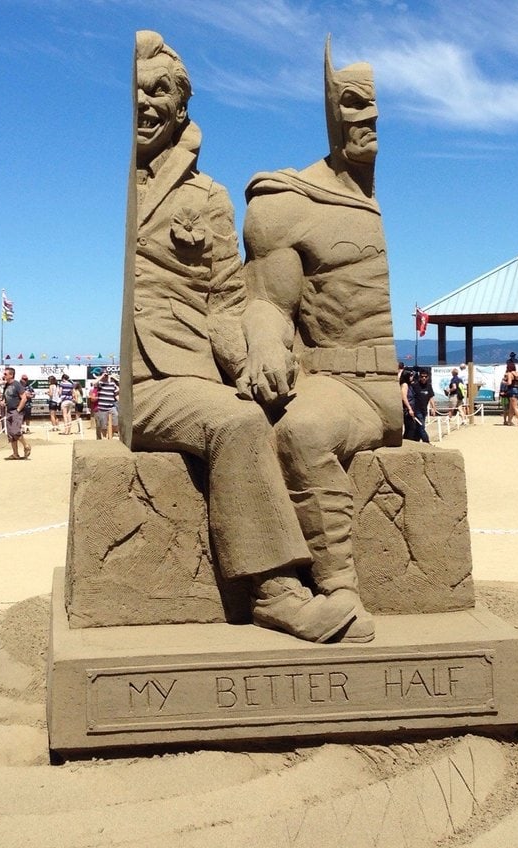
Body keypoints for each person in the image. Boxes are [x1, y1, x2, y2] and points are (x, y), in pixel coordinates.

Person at [119, 30, 361, 645]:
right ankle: (275, 593)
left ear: (181, 108)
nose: (146, 103)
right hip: (145, 381)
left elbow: (227, 303)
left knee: (264, 411)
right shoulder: (124, 180)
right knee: (238, 425)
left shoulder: (210, 197)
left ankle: (328, 582)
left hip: (196, 371)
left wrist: (252, 359)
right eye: (138, 91)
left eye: (160, 92)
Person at [241, 36, 403, 642]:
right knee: (303, 432)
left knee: (305, 429)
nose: (371, 119)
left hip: (380, 388)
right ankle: (341, 593)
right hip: (333, 382)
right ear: (332, 113)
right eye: (355, 103)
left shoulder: (367, 199)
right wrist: (261, 343)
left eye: (375, 105)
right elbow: (266, 303)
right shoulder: (289, 201)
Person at [2, 366, 31, 460]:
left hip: (16, 411)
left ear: (11, 375)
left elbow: (24, 398)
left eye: (5, 374)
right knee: (10, 434)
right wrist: (3, 402)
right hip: (9, 411)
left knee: (15, 431)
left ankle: (26, 445)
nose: (4, 375)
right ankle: (15, 454)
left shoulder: (17, 384)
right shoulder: (6, 386)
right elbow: (6, 397)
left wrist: (18, 409)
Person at [410, 369, 436, 443]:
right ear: (419, 377)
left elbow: (431, 397)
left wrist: (433, 408)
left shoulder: (429, 386)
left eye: (425, 376)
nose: (424, 378)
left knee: (418, 427)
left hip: (424, 410)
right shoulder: (415, 385)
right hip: (416, 410)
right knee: (421, 426)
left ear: (427, 377)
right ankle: (427, 442)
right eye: (422, 376)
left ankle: (416, 441)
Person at [96, 372, 119, 440]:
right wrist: (101, 376)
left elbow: (117, 390)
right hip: (102, 408)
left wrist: (110, 378)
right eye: (104, 376)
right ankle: (105, 437)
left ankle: (110, 436)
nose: (105, 377)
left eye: (106, 375)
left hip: (111, 407)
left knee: (115, 421)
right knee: (103, 426)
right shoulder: (100, 384)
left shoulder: (112, 384)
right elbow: (93, 383)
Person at [504, 359, 518, 426]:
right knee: (511, 407)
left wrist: (504, 382)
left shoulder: (510, 374)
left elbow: (509, 383)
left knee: (515, 407)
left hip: (512, 390)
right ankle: (509, 421)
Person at [400, 368, 417, 440]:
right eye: (410, 375)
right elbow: (404, 397)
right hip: (407, 410)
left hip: (410, 408)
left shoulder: (409, 385)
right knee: (411, 428)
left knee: (410, 428)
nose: (412, 377)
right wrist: (409, 409)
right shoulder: (405, 385)